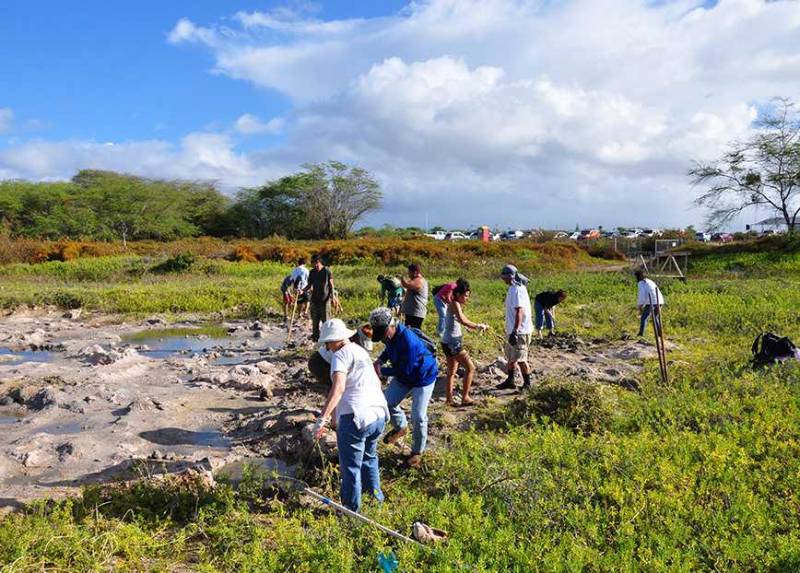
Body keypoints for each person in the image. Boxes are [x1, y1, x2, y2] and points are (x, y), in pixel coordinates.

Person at [312, 319, 389, 513]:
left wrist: (323, 419)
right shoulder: (360, 351)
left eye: (328, 342)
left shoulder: (340, 355)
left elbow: (338, 388)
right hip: (378, 414)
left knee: (350, 469)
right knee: (369, 459)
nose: (327, 348)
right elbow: (375, 382)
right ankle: (376, 502)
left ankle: (350, 513)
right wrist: (336, 419)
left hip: (356, 418)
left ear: (337, 339)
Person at [369, 307, 437, 468]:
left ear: (391, 326)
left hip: (422, 377)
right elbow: (388, 350)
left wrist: (381, 370)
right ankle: (401, 427)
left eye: (383, 334)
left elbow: (404, 370)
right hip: (404, 375)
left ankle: (416, 453)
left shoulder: (408, 340)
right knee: (387, 403)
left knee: (418, 416)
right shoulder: (390, 336)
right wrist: (379, 361)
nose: (383, 338)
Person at [441, 280, 488, 406]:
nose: (467, 298)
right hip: (453, 342)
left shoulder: (454, 304)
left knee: (451, 372)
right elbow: (463, 320)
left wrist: (470, 326)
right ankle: (465, 397)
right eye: (465, 295)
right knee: (470, 368)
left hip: (447, 341)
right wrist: (478, 326)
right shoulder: (455, 304)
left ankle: (449, 400)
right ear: (457, 294)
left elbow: (460, 321)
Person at [496, 264, 534, 391]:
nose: (503, 279)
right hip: (513, 329)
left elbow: (520, 311)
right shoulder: (513, 288)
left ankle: (527, 384)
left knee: (521, 358)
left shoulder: (518, 289)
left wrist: (515, 331)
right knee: (511, 358)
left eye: (504, 277)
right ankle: (510, 380)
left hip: (520, 331)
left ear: (510, 276)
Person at [308, 324, 374, 385]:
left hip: (329, 362)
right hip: (319, 363)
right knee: (340, 385)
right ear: (356, 337)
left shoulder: (352, 345)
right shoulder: (342, 346)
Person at [304, 254, 335, 342]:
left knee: (326, 321)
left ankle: (327, 338)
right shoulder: (312, 272)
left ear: (319, 262)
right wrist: (302, 290)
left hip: (325, 300)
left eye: (315, 263)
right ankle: (315, 337)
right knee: (315, 320)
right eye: (313, 264)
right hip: (314, 300)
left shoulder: (327, 271)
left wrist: (333, 297)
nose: (315, 266)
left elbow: (331, 285)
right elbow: (309, 285)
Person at [635, 270, 665, 337]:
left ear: (638, 276)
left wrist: (640, 305)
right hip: (660, 300)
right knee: (655, 317)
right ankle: (659, 334)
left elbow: (642, 295)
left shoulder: (641, 283)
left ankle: (641, 334)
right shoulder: (649, 281)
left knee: (644, 318)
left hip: (652, 301)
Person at [400, 263, 428, 329]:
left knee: (414, 332)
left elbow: (407, 285)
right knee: (409, 331)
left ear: (415, 272)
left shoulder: (419, 280)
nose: (408, 274)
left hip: (416, 313)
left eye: (409, 272)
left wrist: (401, 278)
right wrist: (402, 307)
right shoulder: (413, 280)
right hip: (411, 312)